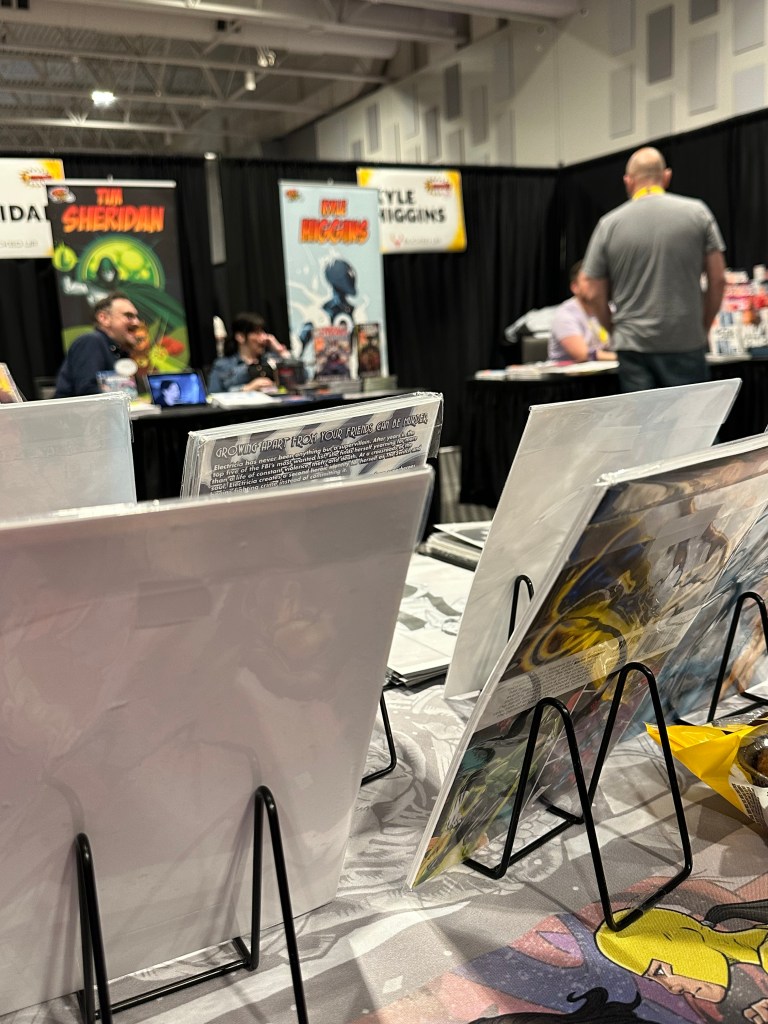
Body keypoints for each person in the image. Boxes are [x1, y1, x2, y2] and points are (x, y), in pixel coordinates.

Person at [581, 146, 726, 392]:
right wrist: (702, 326)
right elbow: (718, 279)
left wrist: (615, 330)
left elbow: (591, 291)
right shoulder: (698, 213)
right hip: (686, 341)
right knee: (691, 415)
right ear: (666, 176)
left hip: (633, 347)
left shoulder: (609, 224)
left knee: (644, 416)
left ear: (628, 181)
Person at [54, 292, 141, 398]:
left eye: (136, 317)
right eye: (129, 316)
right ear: (103, 318)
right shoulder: (91, 341)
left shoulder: (120, 350)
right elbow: (87, 392)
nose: (137, 323)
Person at [548, 261, 613, 363]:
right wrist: (621, 357)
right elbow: (583, 354)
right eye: (588, 280)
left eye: (598, 279)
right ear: (575, 287)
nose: (595, 285)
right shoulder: (565, 314)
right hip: (570, 372)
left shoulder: (610, 309)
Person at [207, 312, 289, 393]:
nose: (264, 338)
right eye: (257, 333)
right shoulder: (223, 365)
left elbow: (295, 377)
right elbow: (213, 394)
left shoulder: (270, 359)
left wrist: (280, 350)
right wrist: (246, 388)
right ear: (241, 337)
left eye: (263, 332)